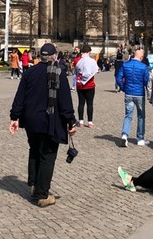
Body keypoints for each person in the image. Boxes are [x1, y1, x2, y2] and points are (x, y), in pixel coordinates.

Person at [8, 42, 78, 208]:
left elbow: (20, 97)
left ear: (40, 56)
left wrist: (14, 117)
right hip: (49, 120)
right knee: (48, 155)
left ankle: (33, 185)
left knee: (34, 150)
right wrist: (70, 121)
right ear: (54, 56)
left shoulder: (30, 72)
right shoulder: (58, 74)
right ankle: (42, 194)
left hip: (31, 120)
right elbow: (64, 100)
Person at [116, 47, 150, 147]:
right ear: (141, 57)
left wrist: (124, 88)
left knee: (128, 116)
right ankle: (140, 138)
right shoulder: (144, 67)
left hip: (128, 93)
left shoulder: (125, 64)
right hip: (139, 94)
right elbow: (146, 81)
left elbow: (118, 78)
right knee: (141, 116)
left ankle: (124, 135)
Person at [73, 44, 98, 128]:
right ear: (89, 51)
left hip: (80, 85)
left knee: (81, 103)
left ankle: (80, 121)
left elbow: (75, 71)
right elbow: (95, 70)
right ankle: (90, 122)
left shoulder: (77, 60)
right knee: (90, 104)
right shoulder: (92, 61)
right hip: (90, 85)